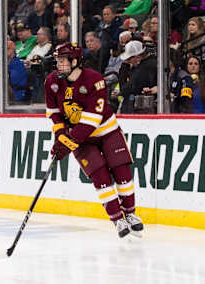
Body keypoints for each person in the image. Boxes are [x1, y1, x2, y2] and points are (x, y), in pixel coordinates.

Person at [45, 42, 144, 238]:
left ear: (75, 61)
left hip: (106, 131)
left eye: (62, 60)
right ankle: (117, 219)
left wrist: (67, 143)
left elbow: (91, 121)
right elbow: (54, 113)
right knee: (100, 177)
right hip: (79, 139)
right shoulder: (52, 82)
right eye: (57, 60)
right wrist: (60, 135)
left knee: (122, 171)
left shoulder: (94, 80)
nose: (58, 64)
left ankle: (130, 214)